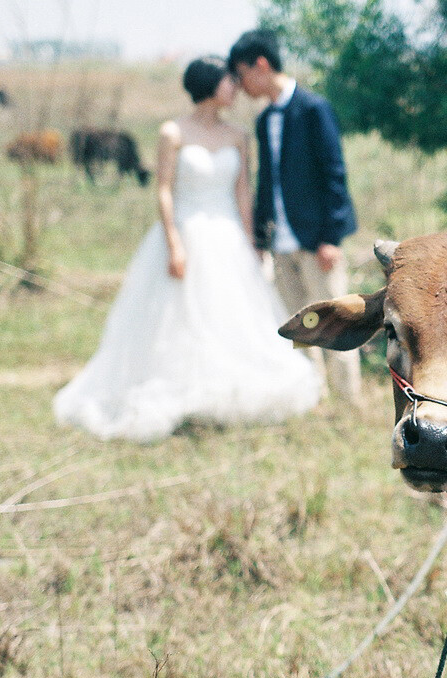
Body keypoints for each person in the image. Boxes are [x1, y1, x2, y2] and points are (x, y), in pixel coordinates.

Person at [54, 56, 320, 441]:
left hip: (228, 235)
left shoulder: (237, 136)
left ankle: (227, 391)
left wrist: (251, 244)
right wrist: (173, 243)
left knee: (231, 315)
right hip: (186, 232)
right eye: (229, 81)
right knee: (178, 317)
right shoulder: (172, 132)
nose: (235, 88)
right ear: (209, 86)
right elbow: (164, 189)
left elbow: (242, 192)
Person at [228, 29, 361, 403]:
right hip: (281, 242)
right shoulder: (263, 118)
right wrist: (260, 238)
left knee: (335, 321)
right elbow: (265, 184)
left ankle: (348, 400)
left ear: (262, 65)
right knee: (300, 329)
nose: (240, 85)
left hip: (317, 241)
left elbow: (334, 174)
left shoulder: (313, 108)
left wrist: (331, 238)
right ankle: (310, 396)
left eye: (242, 75)